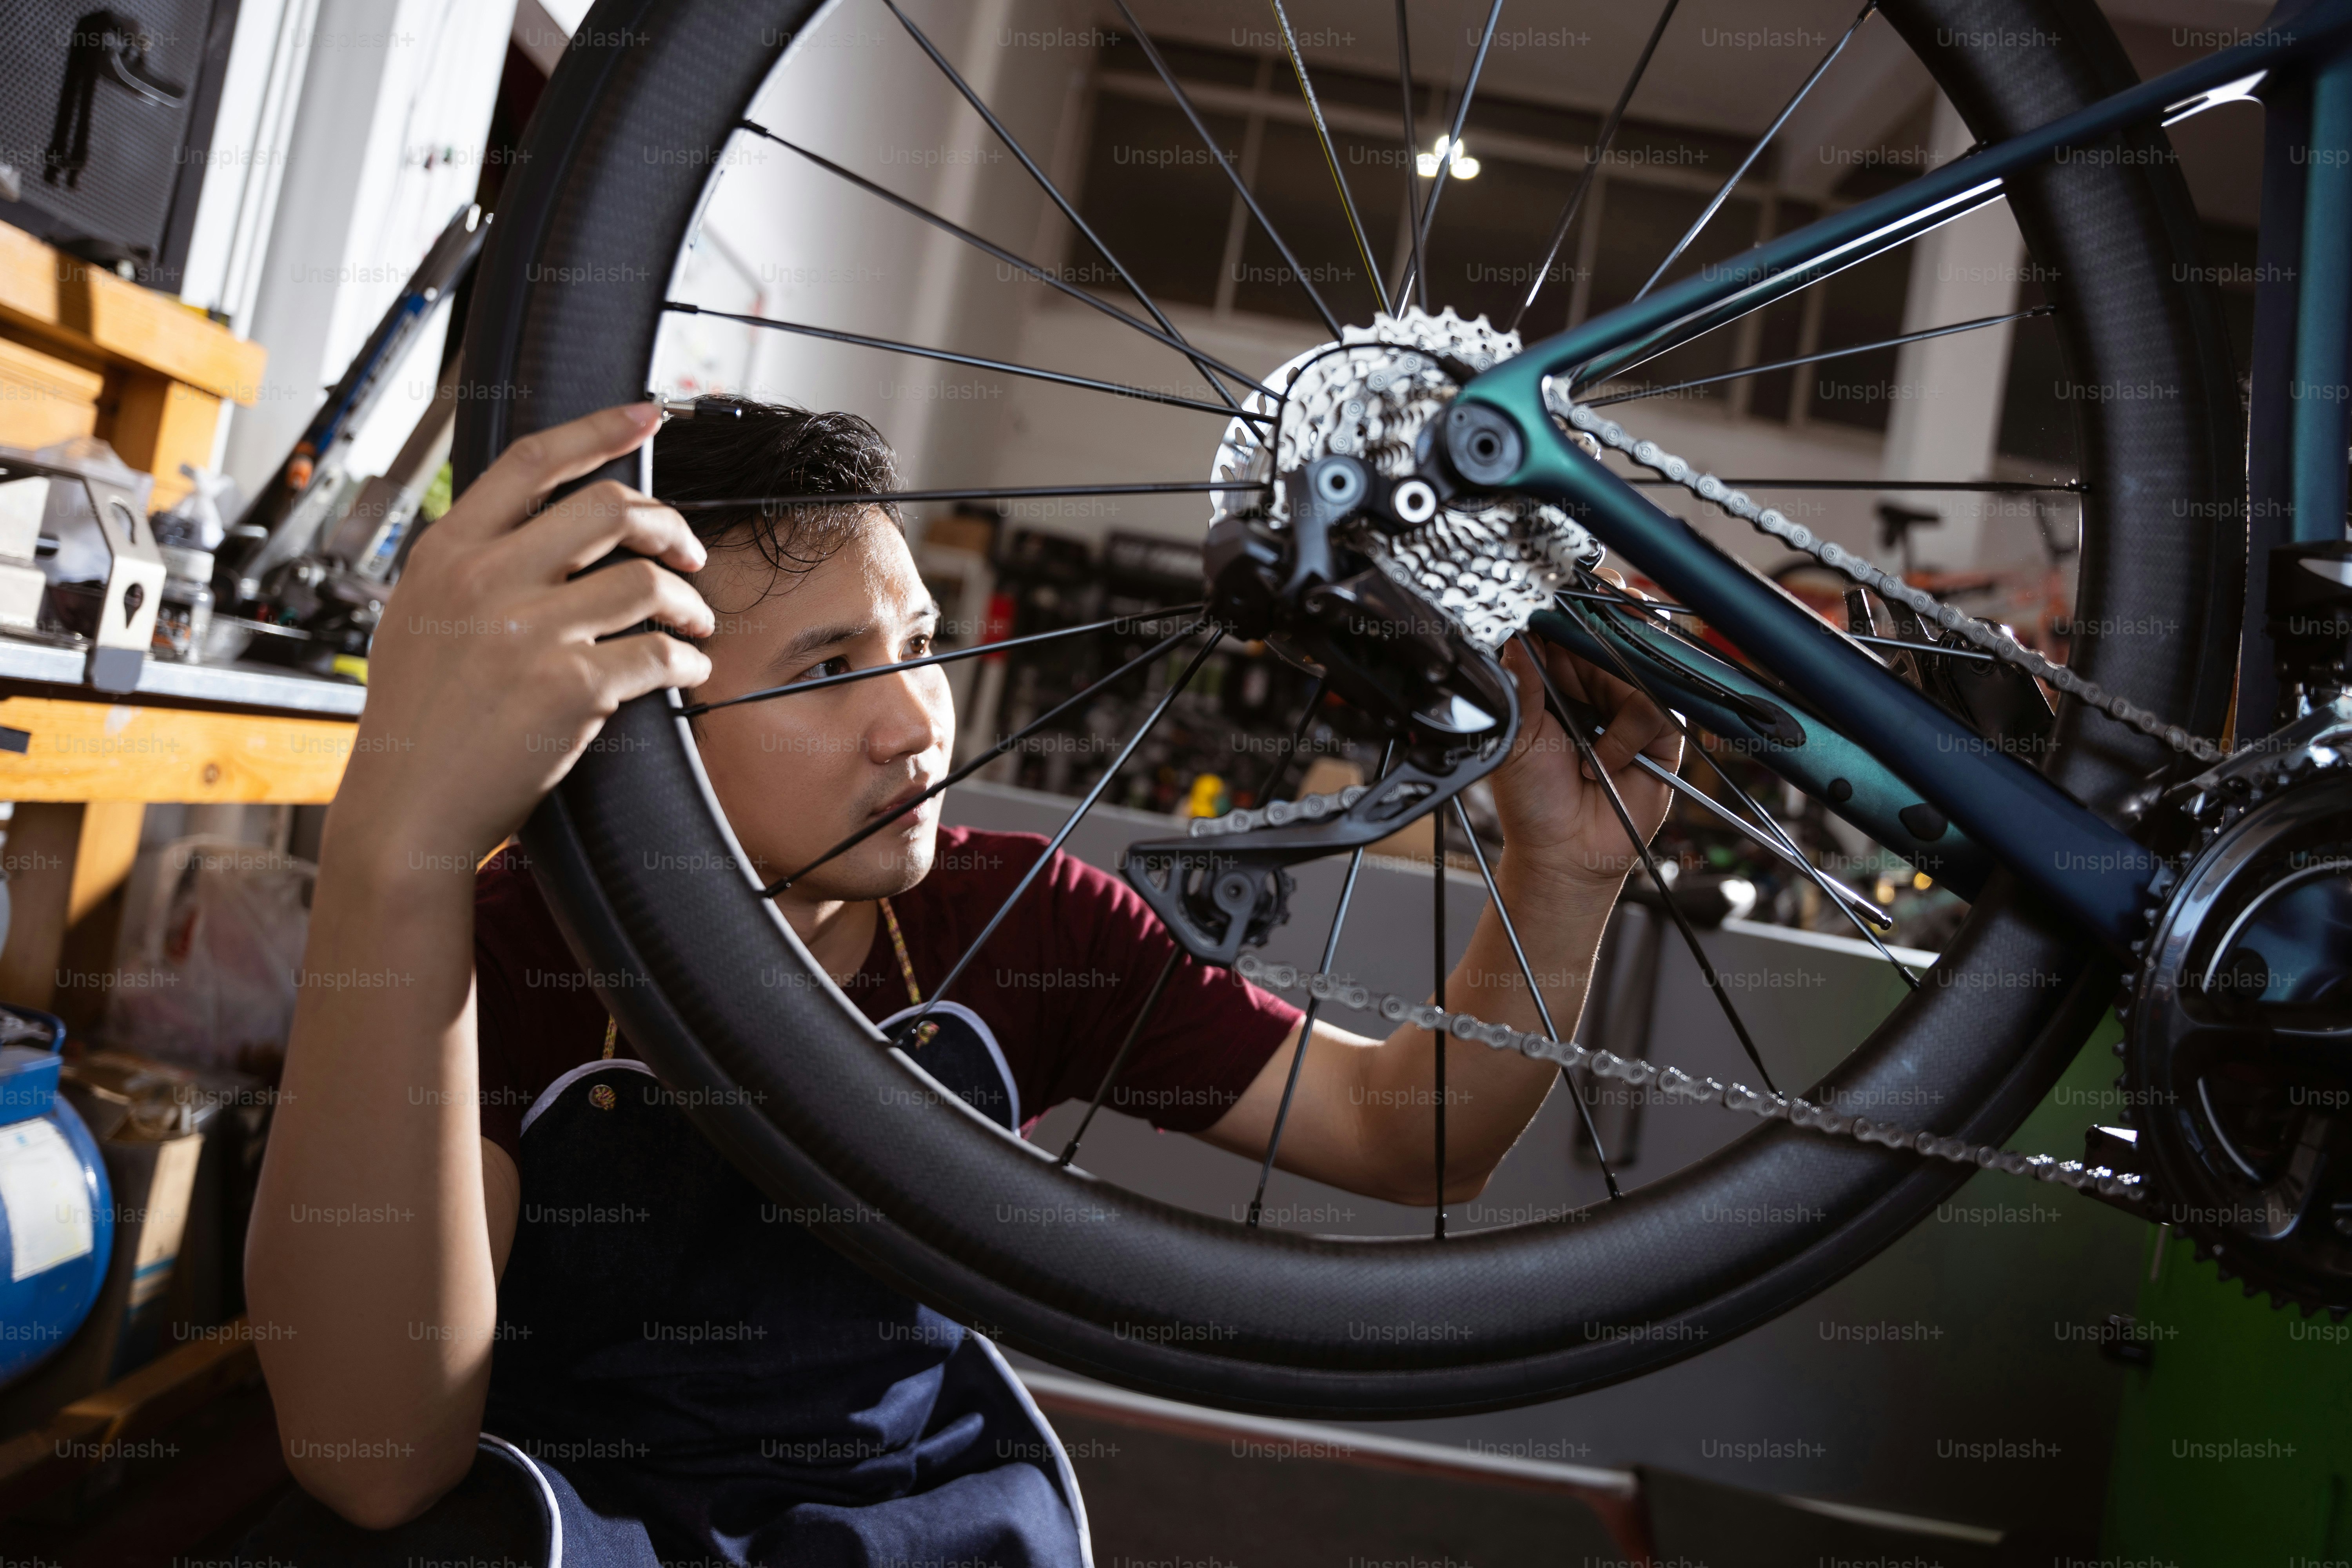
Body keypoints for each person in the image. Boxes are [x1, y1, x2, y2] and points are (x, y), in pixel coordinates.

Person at [243, 396, 1677, 1565]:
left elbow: (1407, 1136)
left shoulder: (1021, 917)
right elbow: (373, 1462)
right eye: (824, 668)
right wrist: (395, 850)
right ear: (635, 713)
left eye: (917, 645)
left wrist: (1564, 872)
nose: (914, 721)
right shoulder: (500, 951)